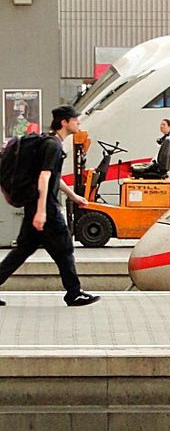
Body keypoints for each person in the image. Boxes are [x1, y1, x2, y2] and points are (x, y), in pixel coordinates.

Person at [0, 105, 100, 308]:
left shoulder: (47, 142)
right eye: (75, 120)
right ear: (64, 122)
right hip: (46, 207)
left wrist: (74, 196)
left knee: (23, 250)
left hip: (36, 206)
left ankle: (74, 292)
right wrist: (42, 211)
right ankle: (74, 293)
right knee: (64, 249)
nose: (78, 123)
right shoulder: (53, 146)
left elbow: (54, 177)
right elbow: (44, 177)